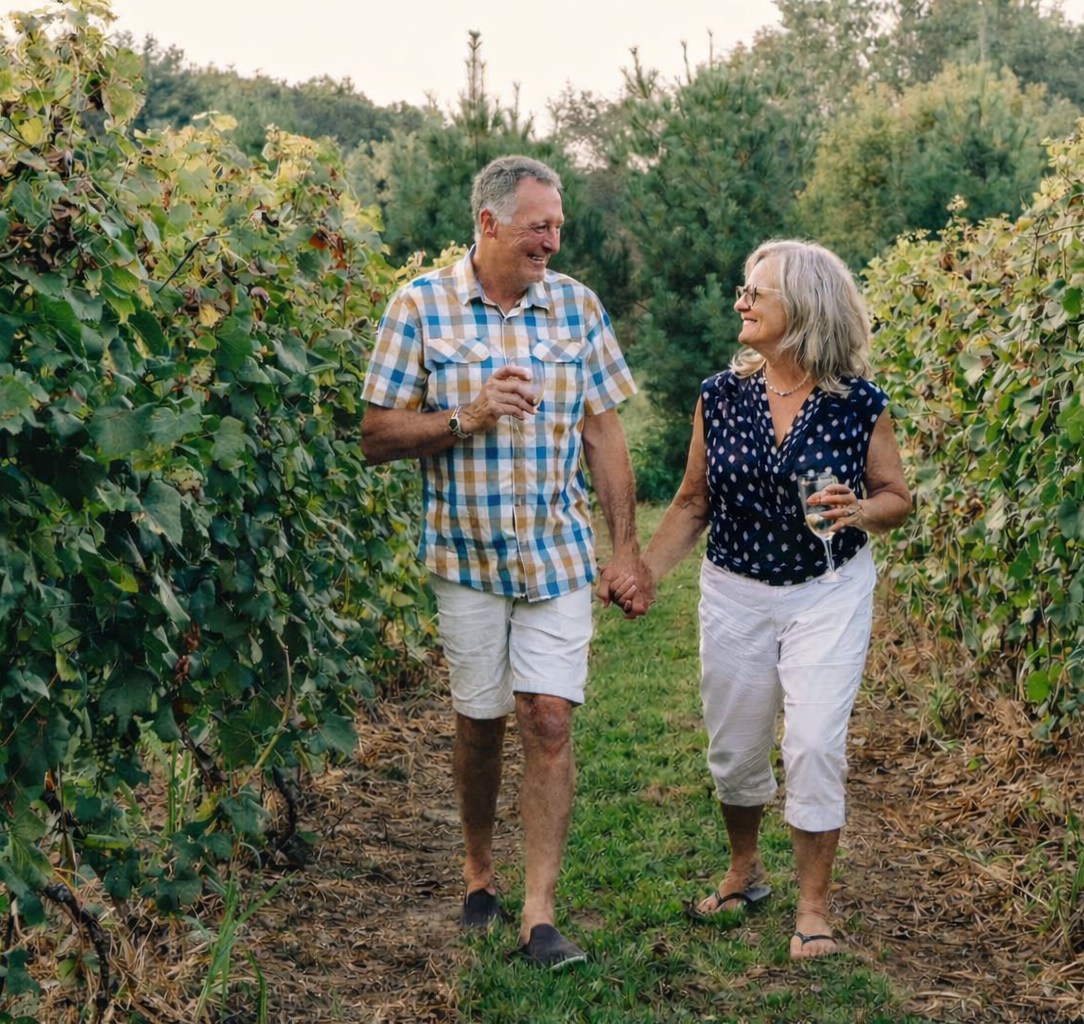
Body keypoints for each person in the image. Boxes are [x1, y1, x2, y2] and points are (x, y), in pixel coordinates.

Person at [360, 155, 650, 969]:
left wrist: (626, 548)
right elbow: (375, 436)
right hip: (468, 557)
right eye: (538, 227)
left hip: (557, 553)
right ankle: (478, 873)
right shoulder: (419, 305)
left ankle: (539, 913)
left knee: (548, 717)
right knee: (480, 722)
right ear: (489, 223)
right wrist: (468, 415)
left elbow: (603, 431)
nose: (552, 242)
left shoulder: (577, 306)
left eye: (558, 227)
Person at [626, 238, 910, 959]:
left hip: (827, 589)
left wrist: (860, 510)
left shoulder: (859, 405)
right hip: (735, 589)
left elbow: (897, 498)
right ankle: (744, 870)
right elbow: (692, 502)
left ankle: (813, 907)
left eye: (756, 293)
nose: (740, 302)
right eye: (743, 290)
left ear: (805, 308)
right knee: (735, 746)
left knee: (813, 743)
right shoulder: (719, 397)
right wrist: (646, 574)